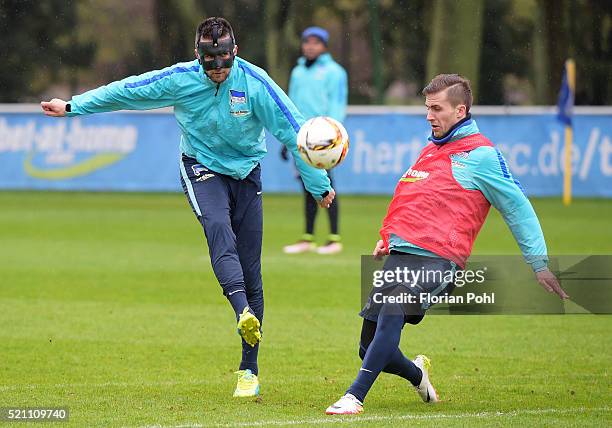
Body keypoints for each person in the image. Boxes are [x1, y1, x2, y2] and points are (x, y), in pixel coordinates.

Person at [41, 17, 335, 399]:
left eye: (224, 61)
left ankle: (249, 368)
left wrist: (318, 185)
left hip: (246, 173)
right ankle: (241, 310)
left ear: (235, 52)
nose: (217, 70)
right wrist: (73, 106)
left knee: (253, 270)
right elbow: (127, 91)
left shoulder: (256, 84)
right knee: (218, 228)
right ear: (198, 55)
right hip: (199, 166)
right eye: (209, 62)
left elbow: (299, 135)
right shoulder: (180, 79)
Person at [325, 74, 568, 415]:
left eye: (436, 109)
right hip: (400, 254)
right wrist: (387, 239)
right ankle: (417, 374)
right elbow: (413, 199)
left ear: (460, 110)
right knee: (368, 349)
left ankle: (354, 396)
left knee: (394, 307)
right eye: (427, 108)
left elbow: (517, 206)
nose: (429, 116)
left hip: (439, 260)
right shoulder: (431, 149)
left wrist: (539, 263)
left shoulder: (482, 155)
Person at [281, 26, 348, 255]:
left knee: (326, 184)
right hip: (301, 137)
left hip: (323, 138)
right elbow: (290, 103)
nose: (310, 46)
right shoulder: (298, 71)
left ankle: (334, 238)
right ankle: (308, 237)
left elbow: (337, 103)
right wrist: (286, 138)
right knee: (307, 185)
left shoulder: (334, 72)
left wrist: (332, 134)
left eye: (315, 42)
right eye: (306, 42)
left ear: (324, 46)